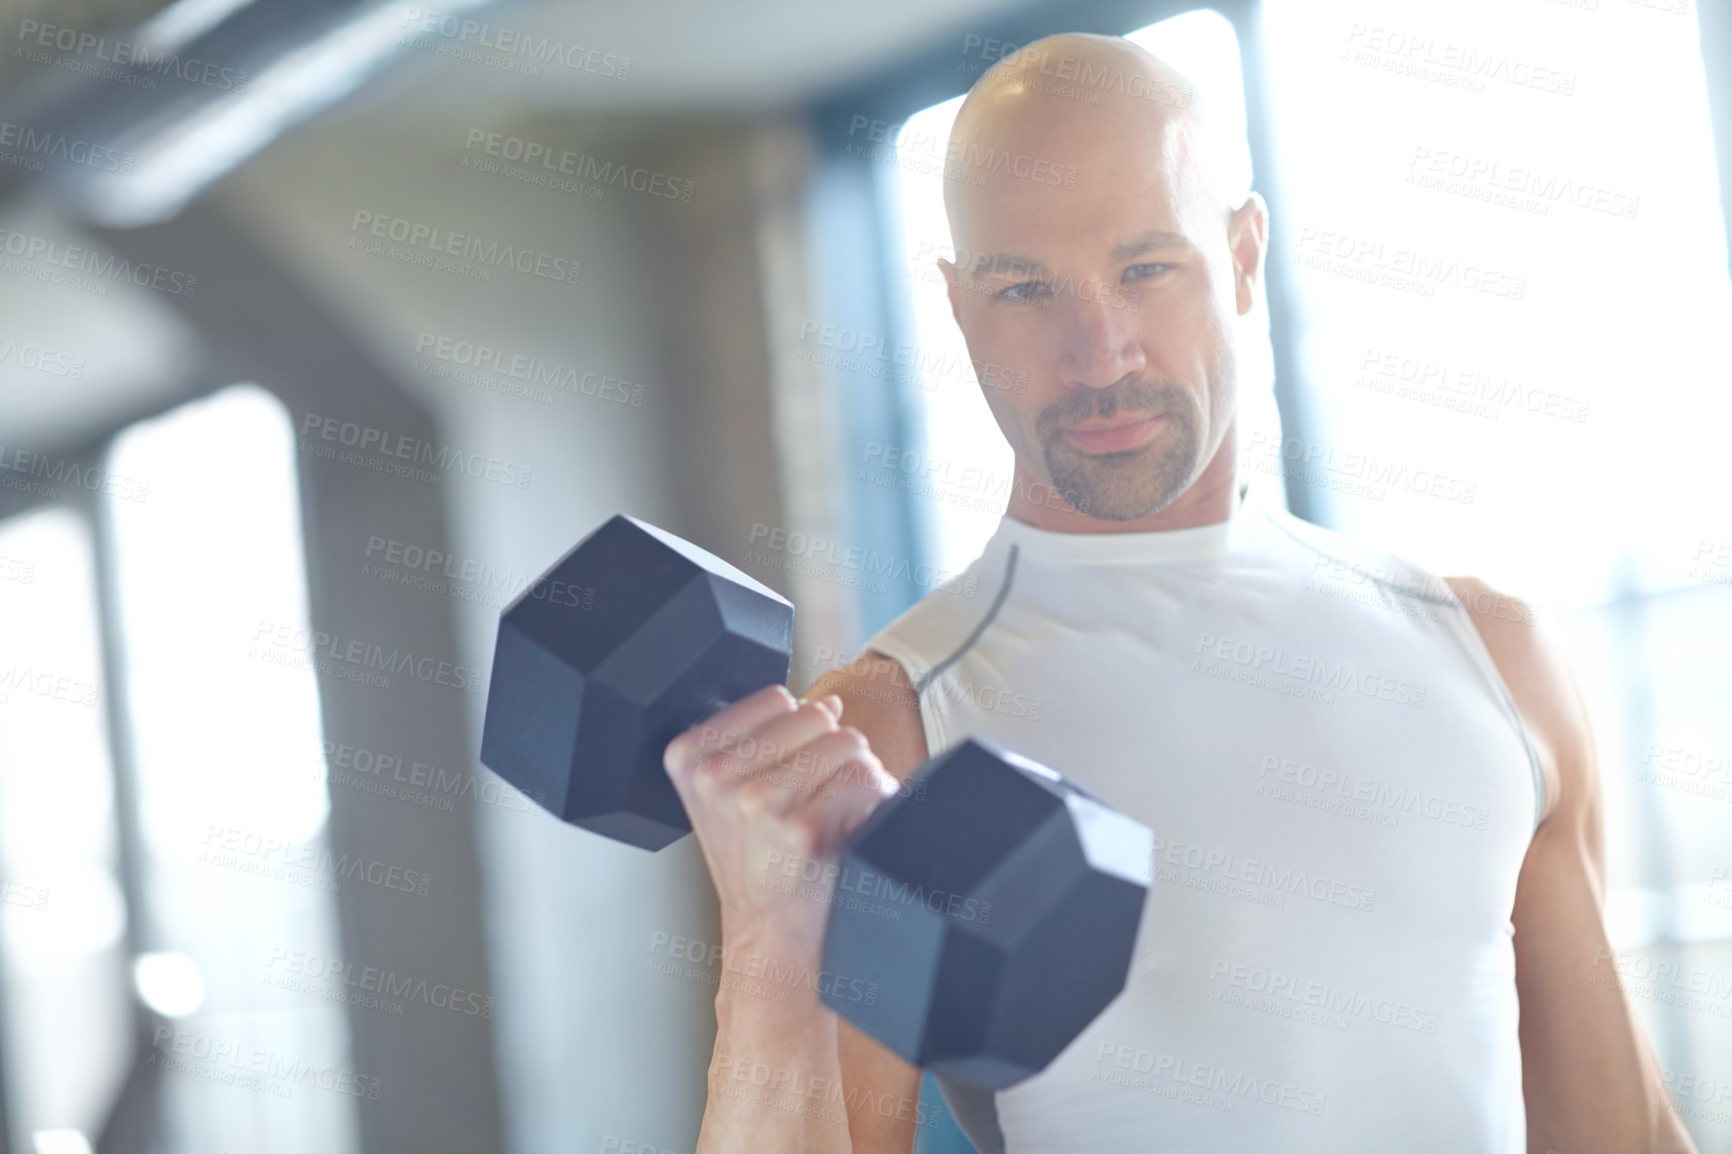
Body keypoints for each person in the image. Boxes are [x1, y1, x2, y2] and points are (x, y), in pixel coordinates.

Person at [662, 32, 1696, 1154]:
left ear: (1244, 255)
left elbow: (1624, 1134)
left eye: (1145, 267)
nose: (1097, 351)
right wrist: (766, 958)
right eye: (1025, 288)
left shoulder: (1491, 655)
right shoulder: (890, 733)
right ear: (959, 306)